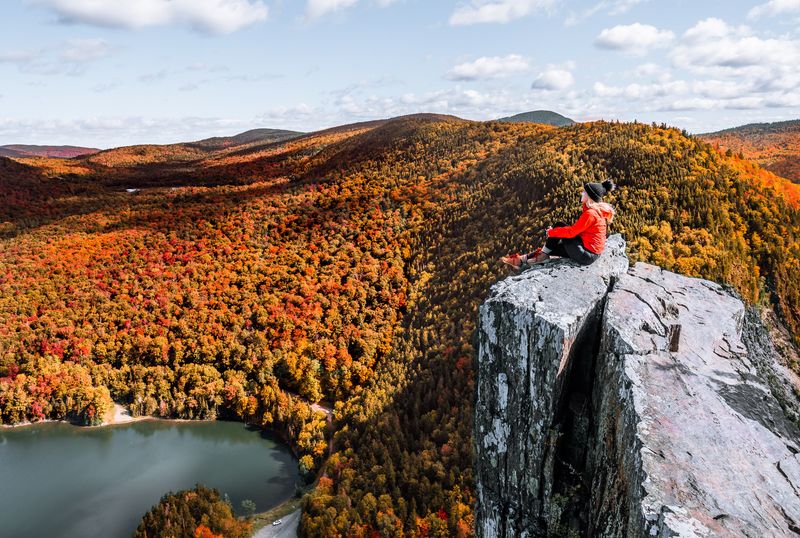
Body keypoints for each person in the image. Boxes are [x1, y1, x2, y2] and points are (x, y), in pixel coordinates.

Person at [501, 179, 616, 269]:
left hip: (586, 255)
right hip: (589, 252)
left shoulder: (591, 213)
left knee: (559, 226)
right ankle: (522, 260)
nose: (582, 193)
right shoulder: (595, 211)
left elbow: (571, 232)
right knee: (551, 247)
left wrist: (552, 232)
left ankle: (536, 257)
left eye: (584, 192)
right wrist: (555, 234)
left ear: (590, 197)